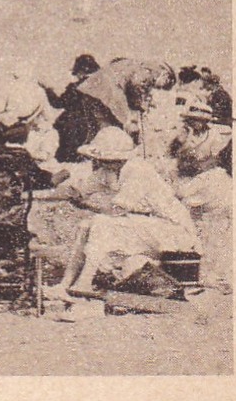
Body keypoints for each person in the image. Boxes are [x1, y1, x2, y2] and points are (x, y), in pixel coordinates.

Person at [50, 127, 197, 300]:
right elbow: (79, 190)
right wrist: (58, 190)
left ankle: (84, 282)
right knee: (85, 225)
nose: (98, 162)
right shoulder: (108, 171)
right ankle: (66, 284)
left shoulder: (139, 171)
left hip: (172, 230)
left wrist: (85, 205)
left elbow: (117, 211)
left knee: (101, 222)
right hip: (147, 227)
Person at [43, 54, 121, 163]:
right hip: (96, 125)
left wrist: (48, 90)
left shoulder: (77, 88)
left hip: (75, 125)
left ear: (81, 72)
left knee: (65, 148)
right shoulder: (103, 87)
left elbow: (58, 103)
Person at [167, 100, 231, 213]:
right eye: (192, 120)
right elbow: (170, 154)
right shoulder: (183, 132)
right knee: (177, 194)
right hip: (182, 173)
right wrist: (179, 141)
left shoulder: (213, 135)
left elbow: (215, 158)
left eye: (198, 120)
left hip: (202, 172)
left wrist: (201, 166)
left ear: (205, 121)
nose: (194, 123)